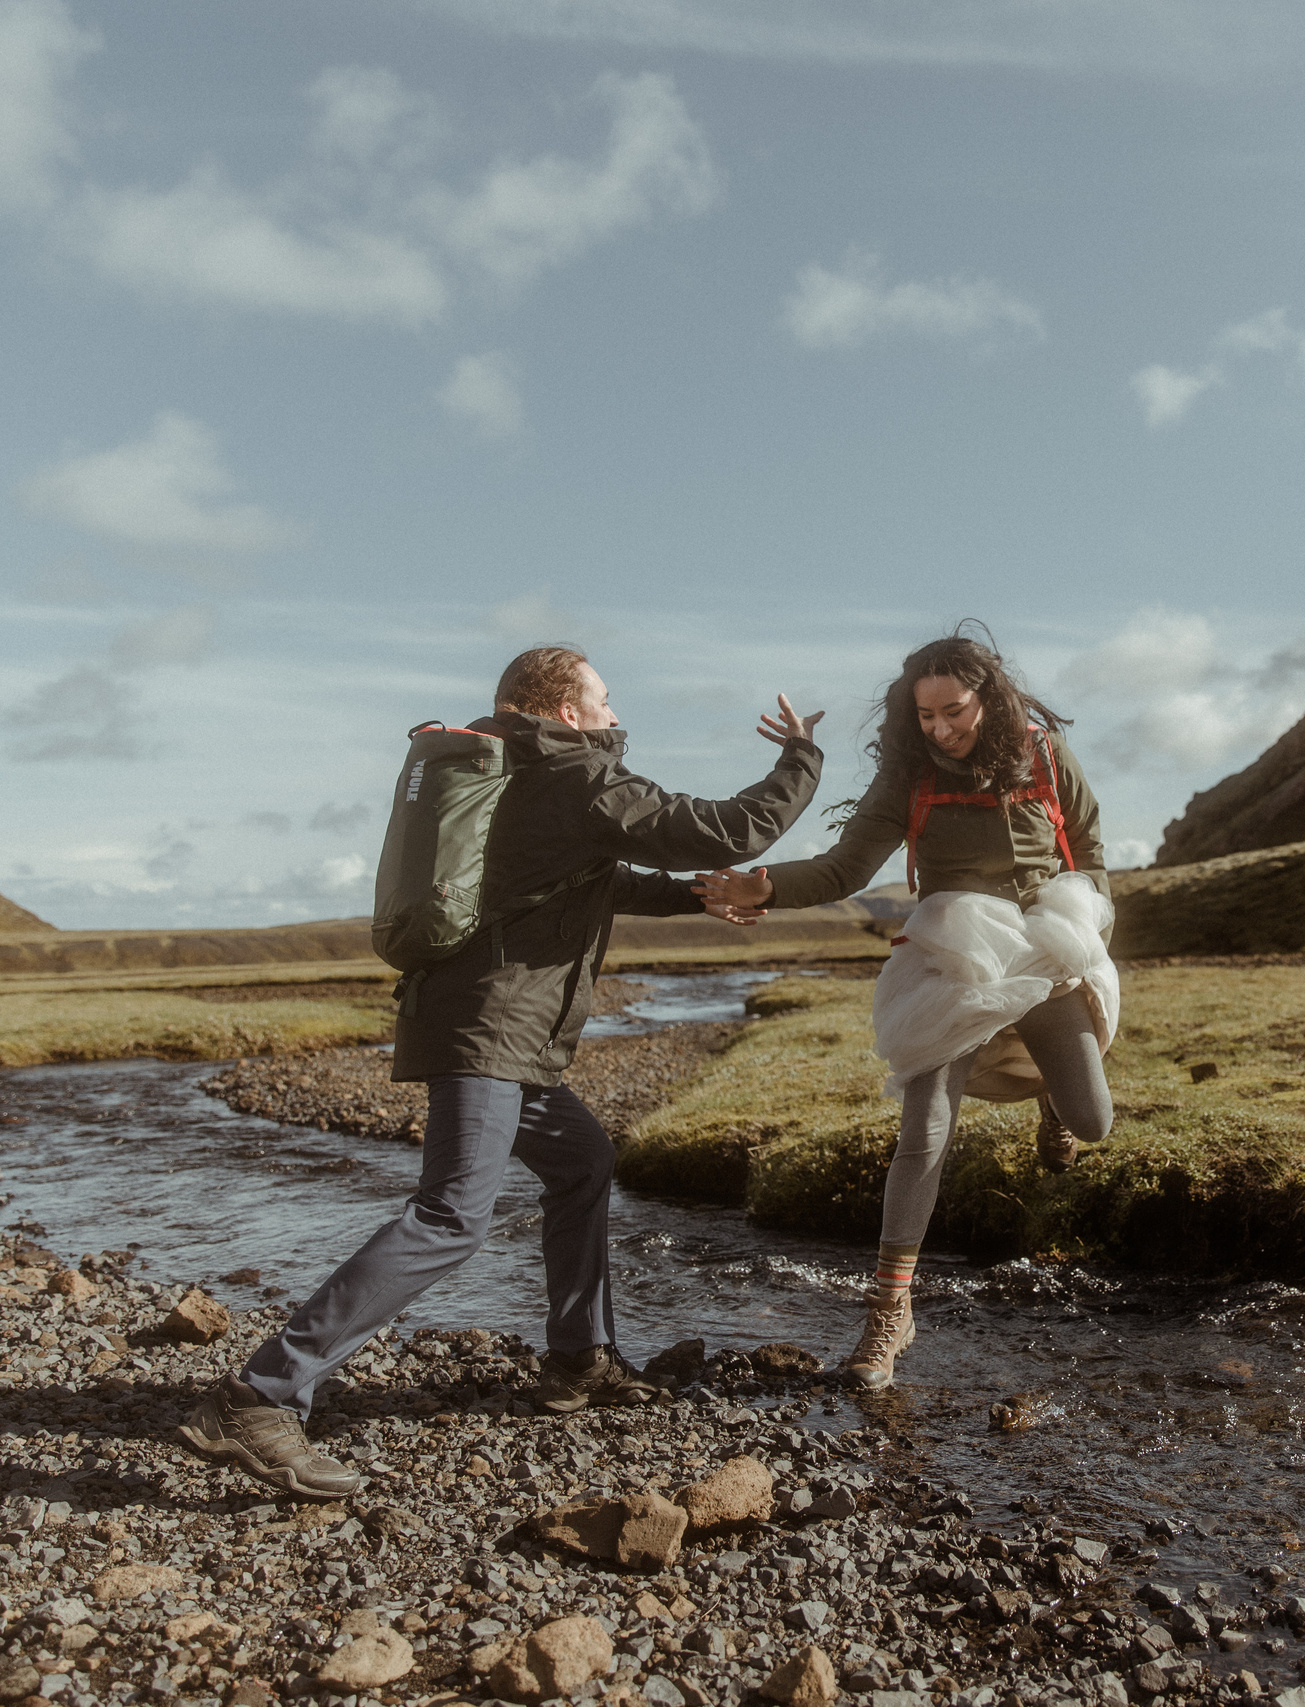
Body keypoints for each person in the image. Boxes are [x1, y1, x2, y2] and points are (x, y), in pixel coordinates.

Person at [181, 645, 823, 1499]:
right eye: (603, 698)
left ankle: (578, 1359)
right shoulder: (574, 773)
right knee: (451, 1216)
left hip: (494, 1027)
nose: (613, 711)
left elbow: (589, 882)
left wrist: (697, 897)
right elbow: (724, 828)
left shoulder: (517, 770)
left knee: (583, 1160)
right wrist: (800, 760)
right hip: (490, 1030)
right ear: (563, 708)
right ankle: (259, 1394)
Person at [694, 628, 1115, 1391]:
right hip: (952, 952)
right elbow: (845, 865)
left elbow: (1087, 842)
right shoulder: (909, 774)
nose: (940, 728)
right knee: (924, 1128)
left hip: (1048, 944)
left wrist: (1092, 927)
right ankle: (889, 1314)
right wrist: (764, 885)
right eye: (925, 716)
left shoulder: (1045, 754)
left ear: (987, 696)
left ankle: (1051, 1097)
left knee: (1094, 1120)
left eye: (952, 710)